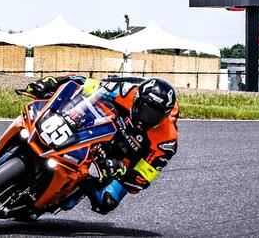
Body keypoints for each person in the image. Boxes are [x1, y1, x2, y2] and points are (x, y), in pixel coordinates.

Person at [23, 75, 179, 215]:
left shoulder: (166, 142)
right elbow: (84, 83)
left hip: (120, 160)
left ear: (164, 115)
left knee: (105, 201)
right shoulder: (125, 91)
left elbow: (142, 180)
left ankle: (74, 189)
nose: (148, 118)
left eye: (155, 115)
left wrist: (121, 170)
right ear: (137, 99)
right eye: (146, 110)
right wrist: (51, 83)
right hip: (99, 128)